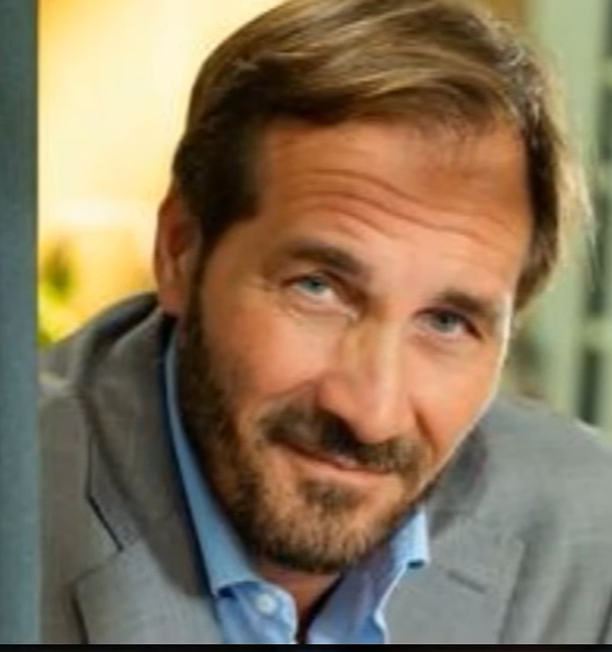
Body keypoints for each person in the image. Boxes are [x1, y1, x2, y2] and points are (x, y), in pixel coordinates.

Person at [39, 0, 612, 644]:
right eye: (317, 288)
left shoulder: (589, 534)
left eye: (447, 322)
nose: (371, 414)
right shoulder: (25, 502)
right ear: (180, 251)